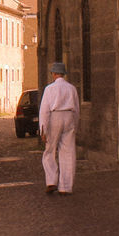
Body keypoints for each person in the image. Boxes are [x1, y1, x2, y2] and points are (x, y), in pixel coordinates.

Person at [38, 62, 79, 195]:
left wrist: (43, 129)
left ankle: (51, 181)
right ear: (63, 74)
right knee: (68, 152)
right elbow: (77, 109)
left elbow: (44, 110)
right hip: (69, 116)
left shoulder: (49, 89)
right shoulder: (71, 88)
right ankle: (65, 187)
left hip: (54, 116)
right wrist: (75, 125)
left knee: (49, 150)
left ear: (53, 74)